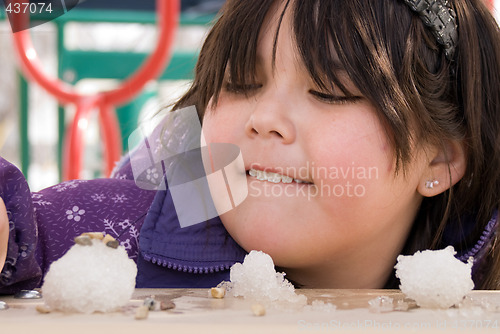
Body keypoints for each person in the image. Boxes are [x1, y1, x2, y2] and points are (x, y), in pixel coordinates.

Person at [1, 0, 499, 293]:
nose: (264, 120)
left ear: (438, 157)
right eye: (240, 83)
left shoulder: (478, 292)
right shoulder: (110, 238)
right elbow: (23, 229)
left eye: (329, 91)